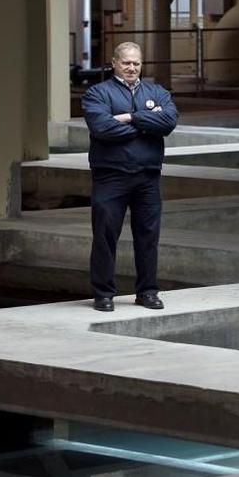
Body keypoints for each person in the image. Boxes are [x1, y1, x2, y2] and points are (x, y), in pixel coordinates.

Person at [81, 41, 179, 312]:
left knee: (148, 237)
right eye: (126, 62)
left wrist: (128, 118)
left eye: (136, 63)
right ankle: (103, 294)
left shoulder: (156, 91)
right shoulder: (97, 93)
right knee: (104, 236)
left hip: (147, 177)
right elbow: (102, 128)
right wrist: (148, 122)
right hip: (110, 177)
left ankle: (147, 292)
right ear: (114, 63)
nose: (132, 68)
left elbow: (169, 122)